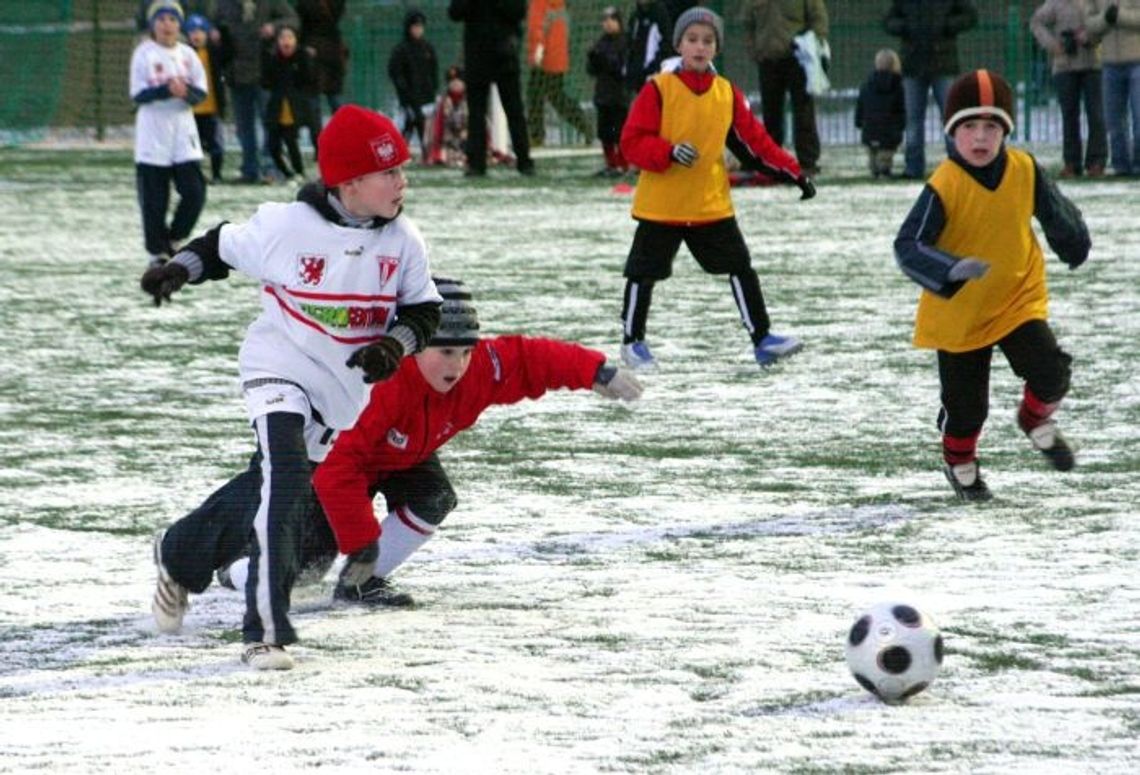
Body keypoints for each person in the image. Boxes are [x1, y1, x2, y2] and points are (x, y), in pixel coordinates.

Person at [139, 105, 443, 670]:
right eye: (391, 172)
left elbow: (424, 310)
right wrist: (177, 268)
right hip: (276, 368)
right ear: (349, 182)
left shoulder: (404, 241)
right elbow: (219, 247)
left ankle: (178, 552)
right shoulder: (286, 226)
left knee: (272, 487)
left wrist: (393, 345)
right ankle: (265, 634)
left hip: (340, 399)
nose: (403, 182)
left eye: (402, 170)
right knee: (282, 481)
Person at [310, 278, 643, 607]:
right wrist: (362, 544)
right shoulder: (381, 385)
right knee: (306, 567)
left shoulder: (479, 370)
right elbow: (336, 468)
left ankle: (361, 585)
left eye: (467, 351)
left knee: (435, 497)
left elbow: (530, 359)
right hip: (327, 467)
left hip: (402, 458)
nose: (458, 365)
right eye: (446, 351)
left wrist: (596, 372)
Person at [893, 69, 1091, 501]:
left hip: (1016, 298)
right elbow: (907, 245)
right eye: (969, 127)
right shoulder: (945, 184)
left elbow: (1056, 211)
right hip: (959, 315)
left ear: (1005, 131)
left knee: (1051, 372)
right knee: (967, 410)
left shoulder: (1023, 168)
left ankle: (1035, 420)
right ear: (951, 133)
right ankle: (960, 464)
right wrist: (950, 268)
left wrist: (1073, 242)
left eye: (991, 127)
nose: (980, 137)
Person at [617, 6, 814, 372]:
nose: (700, 47)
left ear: (717, 48)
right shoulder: (658, 89)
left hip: (709, 205)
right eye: (692, 39)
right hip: (663, 205)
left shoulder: (725, 93)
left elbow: (755, 144)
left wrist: (794, 172)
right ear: (678, 44)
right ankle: (632, 343)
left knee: (740, 266)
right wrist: (668, 152)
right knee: (642, 272)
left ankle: (763, 340)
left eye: (708, 41)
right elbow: (631, 142)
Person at [130, 2, 208, 267]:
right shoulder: (144, 54)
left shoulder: (188, 54)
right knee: (154, 200)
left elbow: (201, 93)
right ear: (153, 25)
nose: (167, 24)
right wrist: (166, 90)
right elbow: (138, 94)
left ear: (179, 24)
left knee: (195, 192)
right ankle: (157, 252)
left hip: (183, 133)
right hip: (153, 133)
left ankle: (175, 238)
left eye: (172, 19)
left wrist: (185, 92)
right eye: (161, 19)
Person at [883, 0, 979, 180]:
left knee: (951, 117)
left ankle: (957, 164)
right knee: (914, 119)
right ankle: (913, 167)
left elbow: (971, 16)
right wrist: (906, 27)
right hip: (915, 62)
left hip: (941, 62)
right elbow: (888, 21)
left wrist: (947, 26)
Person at [214, 0, 299, 184]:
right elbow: (215, 24)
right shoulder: (224, 4)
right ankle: (249, 168)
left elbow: (293, 20)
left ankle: (271, 167)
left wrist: (274, 27)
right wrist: (216, 34)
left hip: (265, 72)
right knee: (244, 126)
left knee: (270, 124)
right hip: (236, 72)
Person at [447, 0, 535, 176]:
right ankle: (476, 164)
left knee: (514, 110)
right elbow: (454, 13)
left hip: (504, 56)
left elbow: (519, 11)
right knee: (477, 114)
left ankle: (524, 161)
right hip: (478, 56)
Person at [743, 0, 829, 176]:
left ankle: (808, 161)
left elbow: (818, 18)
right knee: (771, 113)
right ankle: (771, 160)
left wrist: (813, 44)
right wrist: (755, 50)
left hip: (799, 57)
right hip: (768, 59)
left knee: (804, 111)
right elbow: (747, 22)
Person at [1031, 0, 1108, 178]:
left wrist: (1089, 36)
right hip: (1064, 66)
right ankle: (1071, 163)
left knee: (1096, 114)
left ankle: (1097, 162)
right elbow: (1036, 22)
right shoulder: (1056, 3)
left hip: (1093, 64)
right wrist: (1053, 45)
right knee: (1069, 115)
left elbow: (1106, 22)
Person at [526, 0, 593, 146]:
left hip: (544, 56)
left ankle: (536, 136)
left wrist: (538, 48)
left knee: (535, 96)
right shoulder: (560, 4)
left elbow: (536, 25)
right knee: (556, 96)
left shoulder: (539, 2)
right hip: (558, 55)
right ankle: (583, 124)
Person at [1087, 1, 1140, 176]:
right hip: (1110, 63)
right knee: (1114, 119)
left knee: (1138, 115)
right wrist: (1105, 18)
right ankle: (1121, 165)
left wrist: (1119, 16)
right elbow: (1089, 23)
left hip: (1137, 59)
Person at [261, 24, 320, 181]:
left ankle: (298, 172)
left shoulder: (303, 57)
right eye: (282, 38)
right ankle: (287, 173)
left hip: (295, 107)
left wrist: (307, 60)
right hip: (277, 107)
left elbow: (310, 80)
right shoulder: (272, 58)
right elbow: (266, 82)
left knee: (291, 141)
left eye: (290, 38)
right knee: (273, 146)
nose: (286, 42)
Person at [388, 8, 440, 159]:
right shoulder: (401, 50)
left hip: (426, 97)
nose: (418, 30)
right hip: (408, 97)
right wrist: (404, 93)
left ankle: (427, 154)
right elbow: (396, 73)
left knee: (424, 127)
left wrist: (433, 88)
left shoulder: (428, 48)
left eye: (420, 27)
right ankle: (400, 153)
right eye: (415, 26)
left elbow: (433, 71)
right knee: (408, 125)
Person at [184, 13, 229, 184]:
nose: (197, 35)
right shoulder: (184, 54)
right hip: (191, 109)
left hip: (211, 108)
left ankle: (217, 174)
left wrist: (223, 30)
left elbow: (229, 52)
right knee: (193, 146)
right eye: (193, 31)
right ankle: (196, 176)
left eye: (201, 31)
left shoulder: (214, 52)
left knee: (215, 145)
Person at [587, 6, 630, 176]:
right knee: (605, 132)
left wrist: (604, 59)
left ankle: (623, 163)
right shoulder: (601, 43)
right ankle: (611, 163)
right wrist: (593, 58)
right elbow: (592, 70)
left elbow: (621, 68)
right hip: (603, 94)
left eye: (612, 19)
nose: (608, 23)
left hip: (619, 95)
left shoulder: (625, 42)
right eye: (605, 20)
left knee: (620, 131)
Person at [855, 48, 907, 178]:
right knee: (886, 153)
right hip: (889, 130)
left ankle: (874, 169)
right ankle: (884, 169)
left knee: (872, 152)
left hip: (869, 128)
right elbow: (901, 109)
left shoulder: (866, 85)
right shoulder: (898, 86)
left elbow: (860, 106)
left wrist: (858, 121)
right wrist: (901, 125)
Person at [296, 0, 347, 118]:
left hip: (320, 51)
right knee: (323, 99)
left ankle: (334, 132)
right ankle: (327, 133)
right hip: (319, 52)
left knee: (329, 99)